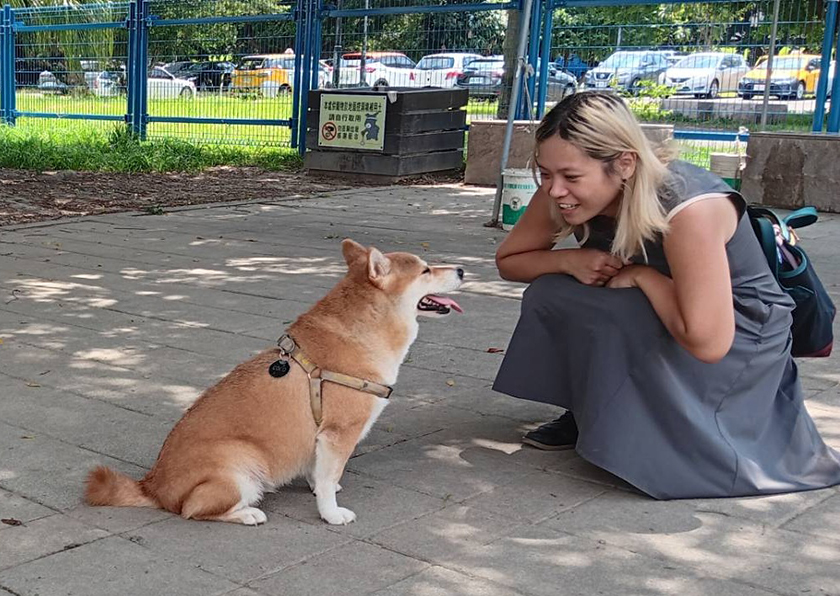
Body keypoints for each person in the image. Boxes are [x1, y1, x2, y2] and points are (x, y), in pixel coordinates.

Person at [492, 90, 840, 499]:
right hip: (669, 312)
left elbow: (709, 342)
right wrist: (568, 261)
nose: (554, 190)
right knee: (554, 291)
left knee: (618, 310)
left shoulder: (687, 206)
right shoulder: (562, 189)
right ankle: (591, 411)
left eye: (570, 177)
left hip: (740, 334)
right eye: (545, 174)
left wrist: (642, 276)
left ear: (624, 163)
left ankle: (660, 433)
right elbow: (510, 261)